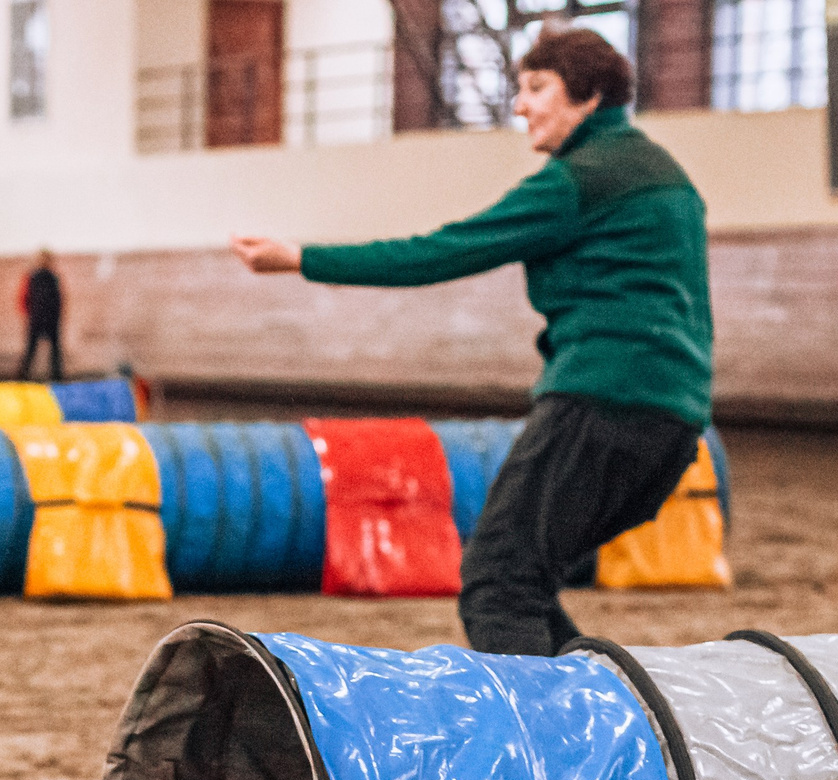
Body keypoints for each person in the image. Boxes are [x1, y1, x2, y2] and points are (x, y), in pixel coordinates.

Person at [229, 28, 711, 656]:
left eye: (537, 88)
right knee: (524, 582)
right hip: (675, 426)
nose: (520, 106)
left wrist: (301, 259)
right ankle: (605, 711)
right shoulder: (667, 176)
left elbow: (443, 251)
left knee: (497, 582)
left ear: (588, 96)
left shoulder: (577, 180)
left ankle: (546, 747)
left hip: (599, 403)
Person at [17, 249, 65, 383]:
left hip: (51, 320)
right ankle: (22, 379)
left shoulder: (54, 277)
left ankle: (58, 380)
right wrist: (28, 316)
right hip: (36, 319)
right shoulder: (30, 277)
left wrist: (58, 317)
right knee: (30, 351)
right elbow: (23, 298)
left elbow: (59, 300)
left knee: (55, 352)